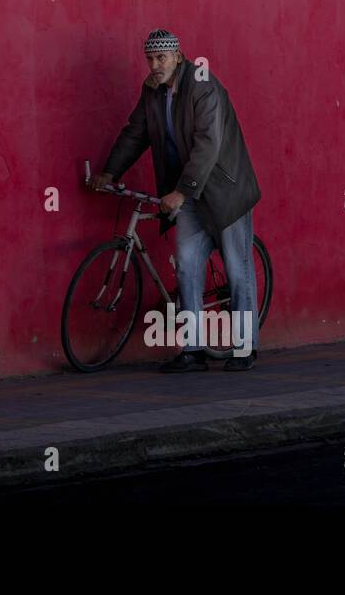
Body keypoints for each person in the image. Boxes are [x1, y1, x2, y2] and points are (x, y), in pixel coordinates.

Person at [90, 29, 263, 371]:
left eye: (161, 58)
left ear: (178, 56)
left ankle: (245, 348)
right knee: (186, 267)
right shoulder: (152, 90)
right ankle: (193, 351)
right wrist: (110, 172)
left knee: (237, 268)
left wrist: (181, 192)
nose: (155, 65)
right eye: (150, 59)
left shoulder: (203, 85)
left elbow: (208, 144)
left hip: (224, 190)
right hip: (188, 194)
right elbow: (135, 133)